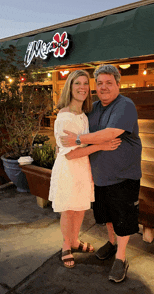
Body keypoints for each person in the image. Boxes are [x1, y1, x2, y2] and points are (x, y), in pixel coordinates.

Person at [60, 64, 142, 282]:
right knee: (108, 217)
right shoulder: (94, 107)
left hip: (123, 176)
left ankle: (121, 258)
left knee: (122, 219)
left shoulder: (125, 105)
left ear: (118, 83)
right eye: (100, 83)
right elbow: (73, 118)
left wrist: (78, 140)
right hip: (99, 177)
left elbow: (110, 133)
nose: (103, 87)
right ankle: (112, 243)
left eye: (109, 82)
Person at [49, 69, 121, 269]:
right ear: (69, 87)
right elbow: (70, 153)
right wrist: (101, 146)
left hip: (83, 167)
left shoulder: (82, 114)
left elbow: (80, 144)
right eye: (77, 84)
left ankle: (74, 240)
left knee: (80, 207)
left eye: (84, 84)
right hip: (69, 168)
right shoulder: (65, 116)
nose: (82, 87)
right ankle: (66, 245)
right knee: (68, 209)